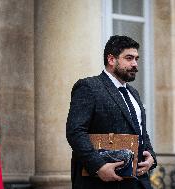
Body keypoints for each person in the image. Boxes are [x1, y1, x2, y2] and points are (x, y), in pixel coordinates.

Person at [66, 35, 157, 189]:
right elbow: (75, 132)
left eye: (136, 58)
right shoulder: (89, 87)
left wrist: (151, 158)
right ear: (111, 59)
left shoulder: (133, 92)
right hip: (102, 183)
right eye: (129, 58)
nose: (135, 64)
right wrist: (98, 166)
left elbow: (141, 131)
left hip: (139, 181)